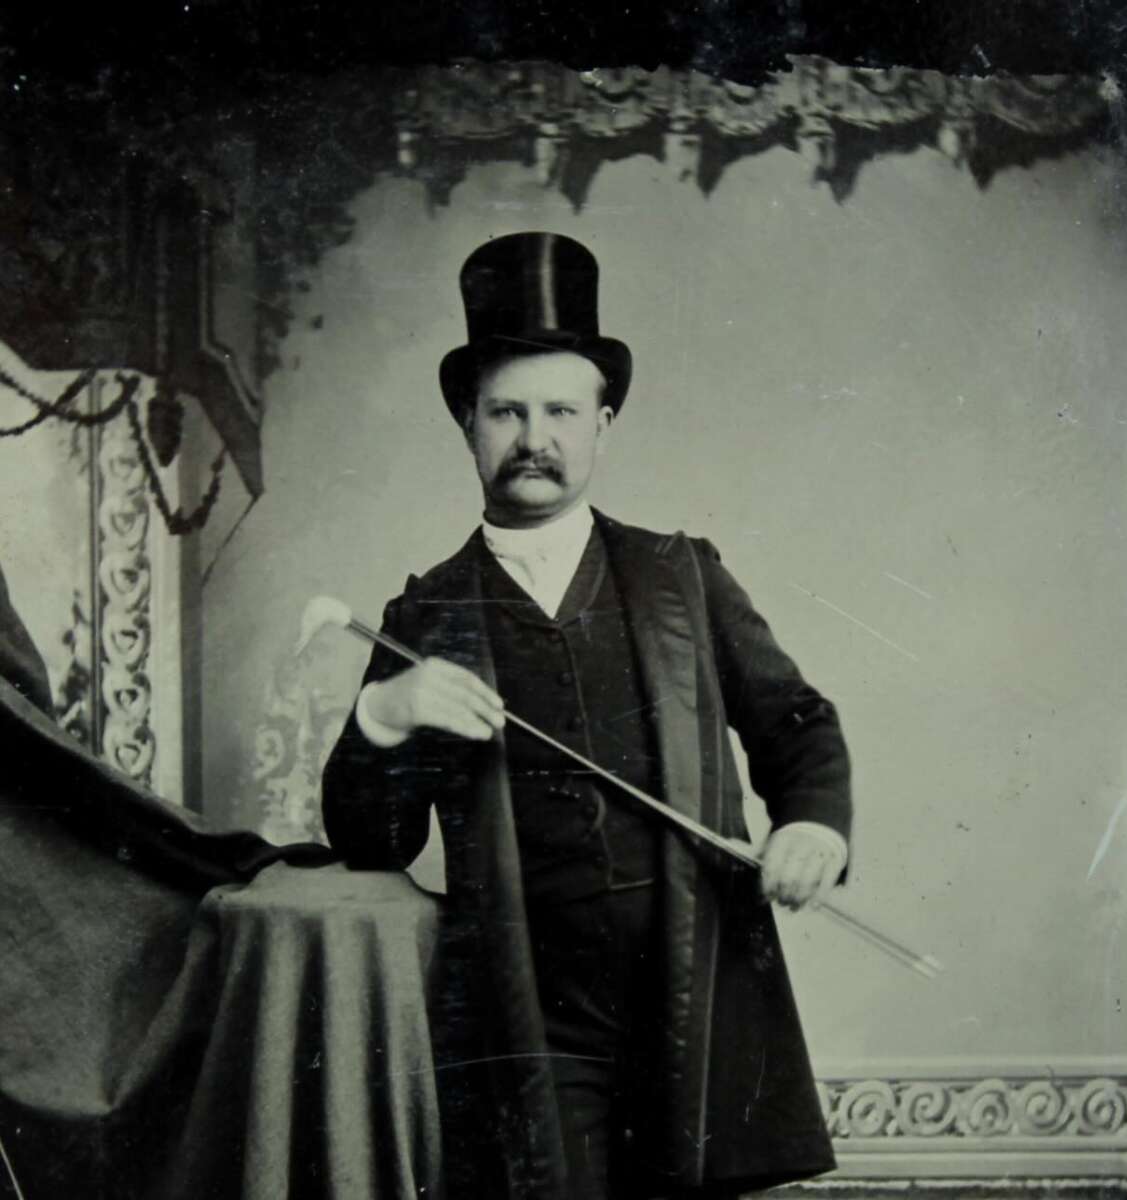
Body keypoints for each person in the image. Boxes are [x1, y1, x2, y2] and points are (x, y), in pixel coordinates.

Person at [321, 231, 852, 1200]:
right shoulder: (424, 616)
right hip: (524, 1013)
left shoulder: (682, 576)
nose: (535, 436)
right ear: (468, 426)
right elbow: (370, 840)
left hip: (696, 986)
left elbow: (796, 723)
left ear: (602, 424)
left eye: (561, 409)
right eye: (507, 411)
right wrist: (383, 719)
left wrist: (812, 822)